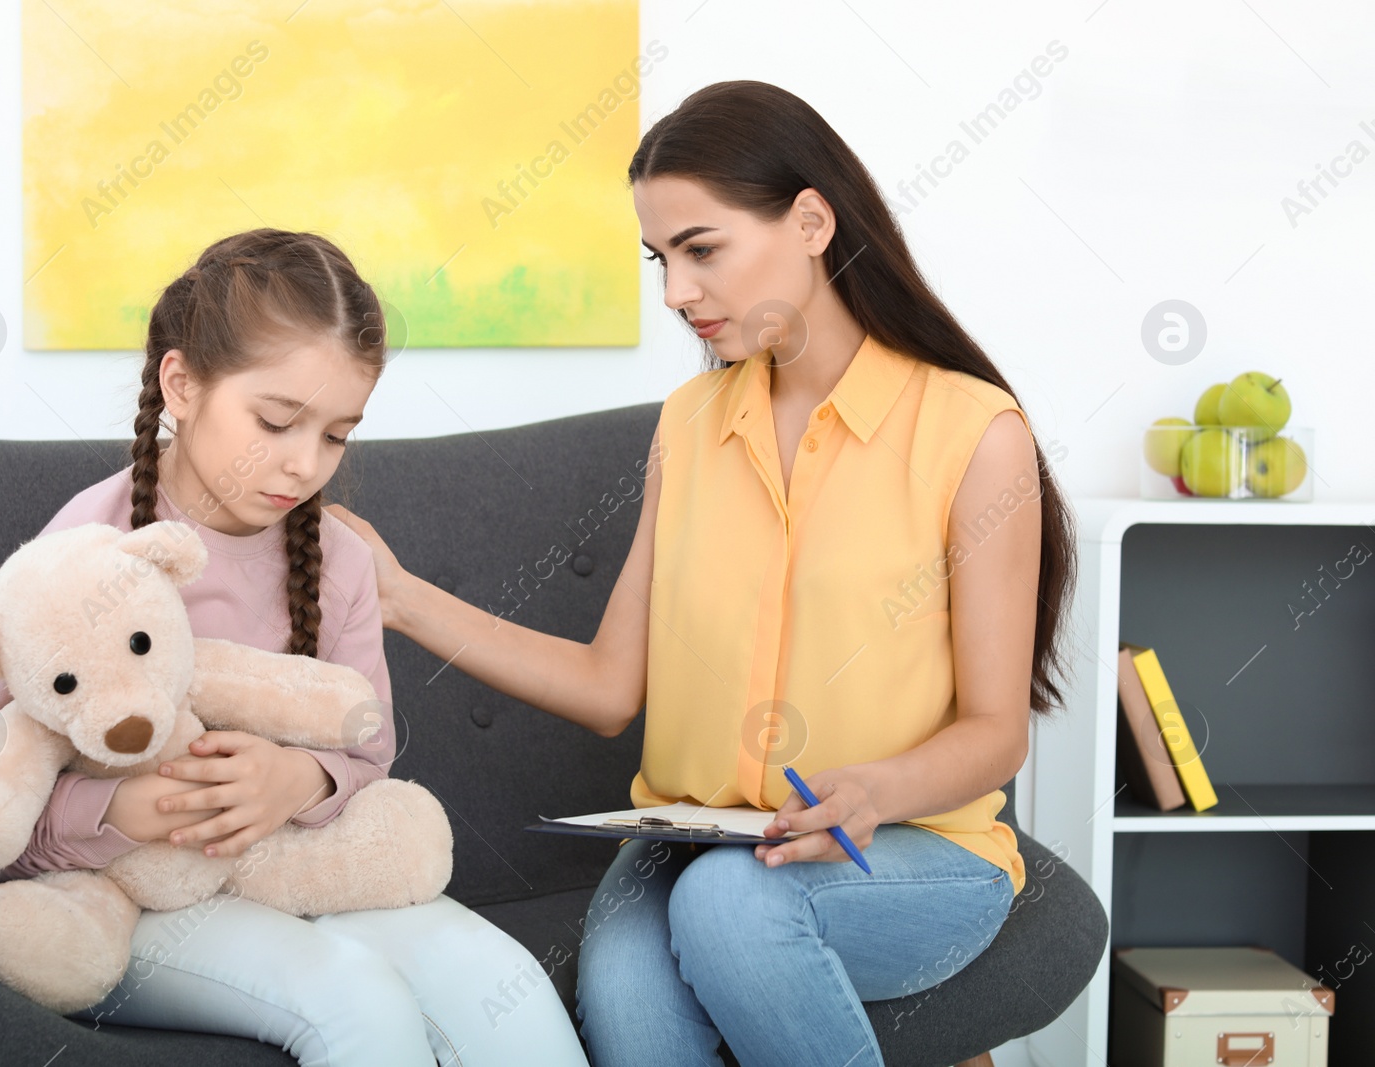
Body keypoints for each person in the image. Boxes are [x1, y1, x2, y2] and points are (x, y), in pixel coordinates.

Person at [327, 80, 1078, 1067]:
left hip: (907, 852)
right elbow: (608, 688)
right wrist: (400, 596)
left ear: (811, 221)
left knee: (731, 904)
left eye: (701, 249)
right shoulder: (687, 426)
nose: (676, 292)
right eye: (659, 259)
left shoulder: (972, 433)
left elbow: (994, 732)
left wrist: (870, 789)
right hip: (689, 846)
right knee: (636, 990)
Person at [0, 228, 590, 1067]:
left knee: (510, 992)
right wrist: (115, 811)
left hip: (290, 865)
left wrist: (301, 777)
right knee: (353, 1000)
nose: (302, 465)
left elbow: (366, 742)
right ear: (181, 384)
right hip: (129, 899)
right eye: (277, 422)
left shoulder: (342, 560)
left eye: (335, 435)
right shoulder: (85, 551)